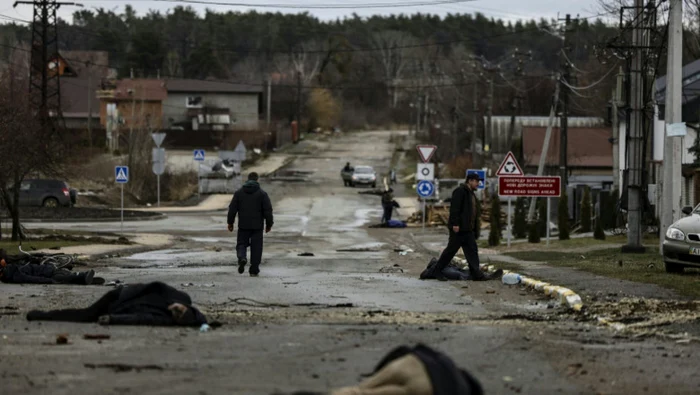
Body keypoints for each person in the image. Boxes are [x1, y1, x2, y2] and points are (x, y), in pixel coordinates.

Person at [25, 281, 207, 327]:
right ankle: (43, 315)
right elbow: (156, 285)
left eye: (177, 316)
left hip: (120, 305)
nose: (175, 312)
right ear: (186, 308)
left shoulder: (165, 319)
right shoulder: (182, 297)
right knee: (86, 315)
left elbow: (139, 319)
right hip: (121, 295)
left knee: (86, 316)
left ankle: (43, 315)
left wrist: (113, 319)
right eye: (180, 312)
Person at [429, 173, 495, 282]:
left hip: (467, 229)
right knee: (450, 251)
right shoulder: (460, 191)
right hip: (459, 229)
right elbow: (455, 209)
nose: (478, 183)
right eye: (476, 181)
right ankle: (437, 271)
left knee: (472, 250)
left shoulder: (470, 193)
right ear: (470, 181)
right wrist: (455, 224)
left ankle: (476, 274)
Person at [227, 172, 274, 277]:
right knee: (257, 247)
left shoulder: (239, 193)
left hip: (243, 225)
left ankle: (242, 257)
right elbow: (268, 211)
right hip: (257, 226)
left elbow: (232, 209)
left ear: (247, 180)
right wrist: (269, 224)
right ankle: (254, 269)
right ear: (257, 180)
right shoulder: (262, 194)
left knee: (241, 244)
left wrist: (230, 222)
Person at [0, 251, 96, 285]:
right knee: (62, 276)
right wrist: (48, 281)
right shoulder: (12, 272)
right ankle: (82, 277)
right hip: (46, 270)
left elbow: (32, 279)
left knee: (62, 277)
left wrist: (48, 280)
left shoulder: (13, 274)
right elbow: (32, 279)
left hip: (46, 272)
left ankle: (81, 277)